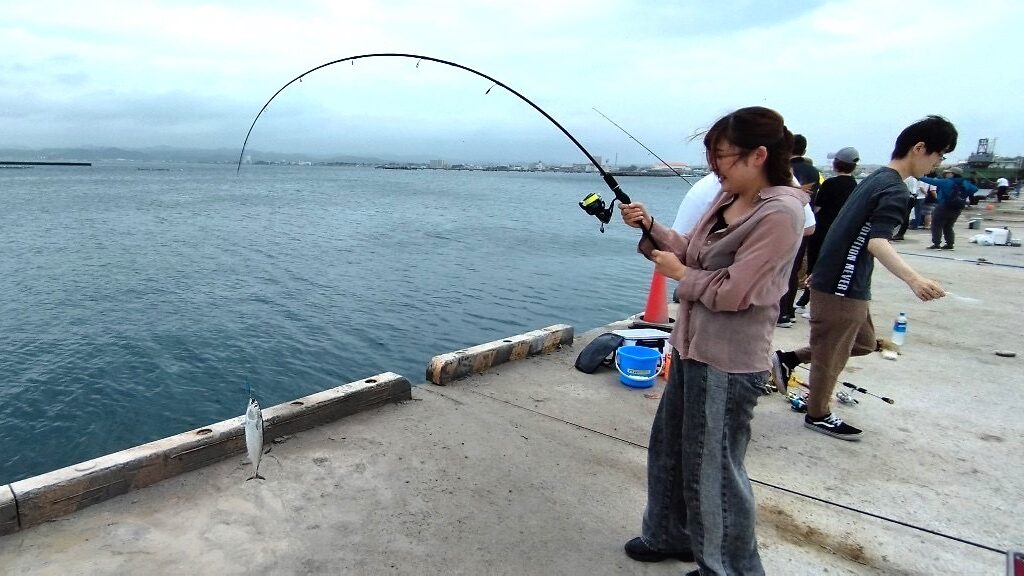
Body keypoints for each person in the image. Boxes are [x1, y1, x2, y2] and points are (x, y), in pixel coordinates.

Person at [619, 106, 804, 576]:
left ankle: (730, 568)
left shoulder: (781, 212)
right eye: (711, 155)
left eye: (722, 156)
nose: (714, 166)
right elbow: (689, 251)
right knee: (671, 448)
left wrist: (681, 276)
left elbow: (735, 291)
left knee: (715, 471)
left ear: (759, 155)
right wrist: (650, 227)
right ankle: (668, 534)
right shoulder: (726, 199)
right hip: (689, 346)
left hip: (728, 359)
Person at [771, 115, 953, 441]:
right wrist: (914, 280)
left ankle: (787, 359)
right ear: (920, 148)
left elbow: (842, 228)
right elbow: (877, 242)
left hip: (844, 280)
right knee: (833, 351)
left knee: (864, 343)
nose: (938, 162)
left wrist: (818, 271)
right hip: (843, 284)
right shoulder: (893, 189)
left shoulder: (876, 178)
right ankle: (818, 414)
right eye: (940, 155)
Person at [795, 147, 860, 314]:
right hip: (843, 232)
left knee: (815, 266)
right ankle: (810, 300)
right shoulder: (856, 186)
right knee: (834, 267)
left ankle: (812, 302)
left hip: (823, 230)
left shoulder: (830, 184)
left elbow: (817, 207)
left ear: (836, 165)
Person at [778, 135, 822, 326]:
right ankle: (789, 312)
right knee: (794, 270)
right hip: (805, 225)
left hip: (785, 228)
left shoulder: (783, 171)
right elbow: (817, 202)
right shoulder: (814, 172)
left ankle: (780, 313)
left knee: (780, 272)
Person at [921, 166, 978, 250]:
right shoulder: (965, 182)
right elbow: (975, 189)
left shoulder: (947, 182)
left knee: (936, 225)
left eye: (948, 173)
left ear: (952, 174)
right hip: (957, 207)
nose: (946, 174)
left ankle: (936, 244)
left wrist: (919, 177)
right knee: (949, 226)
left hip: (944, 206)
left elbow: (932, 181)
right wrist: (963, 195)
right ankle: (950, 244)